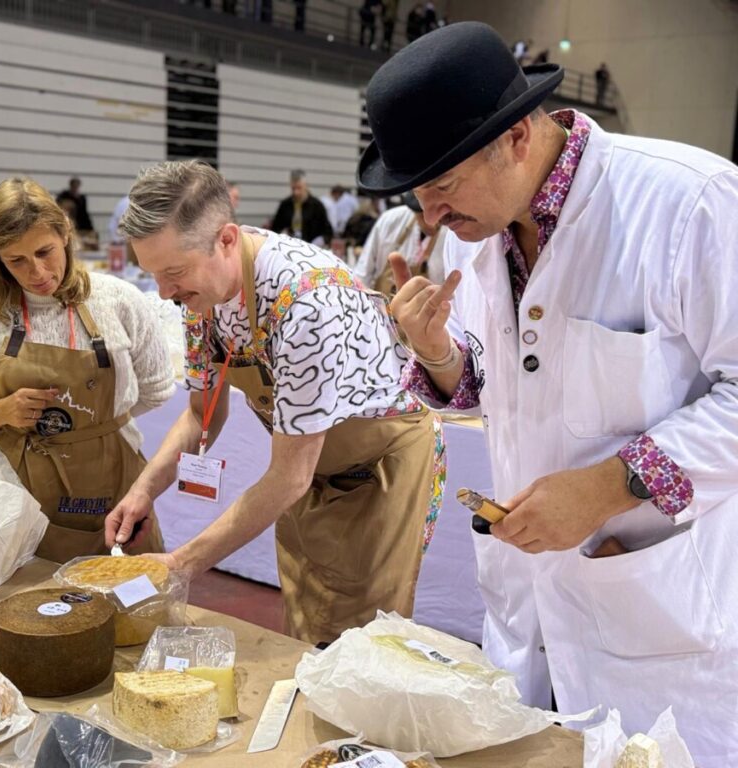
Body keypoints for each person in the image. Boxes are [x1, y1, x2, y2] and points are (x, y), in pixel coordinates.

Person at [358, 22, 738, 766]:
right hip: (530, 603)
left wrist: (608, 486)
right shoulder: (480, 222)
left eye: (441, 186)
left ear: (518, 140)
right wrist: (437, 354)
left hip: (658, 607)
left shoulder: (690, 205)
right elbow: (496, 385)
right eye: (417, 193)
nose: (429, 216)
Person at [105, 160, 445, 646]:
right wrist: (142, 491)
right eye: (153, 275)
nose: (165, 293)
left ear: (225, 239)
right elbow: (203, 413)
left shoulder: (306, 302)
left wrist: (183, 562)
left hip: (379, 469)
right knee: (306, 616)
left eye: (173, 273)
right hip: (307, 467)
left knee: (359, 637)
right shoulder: (203, 295)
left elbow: (289, 475)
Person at [0, 177, 175, 562]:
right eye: (17, 261)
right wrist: (0, 413)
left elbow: (157, 389)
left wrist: (94, 425)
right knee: (27, 608)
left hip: (114, 481)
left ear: (64, 233)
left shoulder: (120, 301)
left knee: (130, 602)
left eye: (45, 251)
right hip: (16, 496)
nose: (37, 272)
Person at [354, 190, 447, 293]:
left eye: (439, 217)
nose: (433, 223)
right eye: (423, 216)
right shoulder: (390, 221)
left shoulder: (451, 232)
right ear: (414, 211)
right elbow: (363, 272)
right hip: (382, 303)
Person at [270, 170, 332, 246]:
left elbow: (328, 232)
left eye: (299, 188)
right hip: (289, 246)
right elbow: (275, 228)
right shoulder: (285, 205)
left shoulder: (316, 205)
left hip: (311, 248)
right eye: (293, 188)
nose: (296, 192)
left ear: (306, 186)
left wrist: (320, 240)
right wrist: (282, 233)